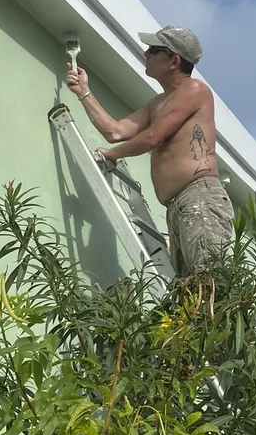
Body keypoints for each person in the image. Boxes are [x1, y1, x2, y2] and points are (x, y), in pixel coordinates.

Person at [66, 25, 234, 276]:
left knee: (207, 283)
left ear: (174, 61)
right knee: (189, 295)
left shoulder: (194, 90)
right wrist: (84, 92)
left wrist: (112, 155)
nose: (146, 54)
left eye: (153, 50)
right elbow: (115, 131)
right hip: (177, 206)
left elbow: (154, 137)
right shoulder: (157, 103)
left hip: (199, 197)